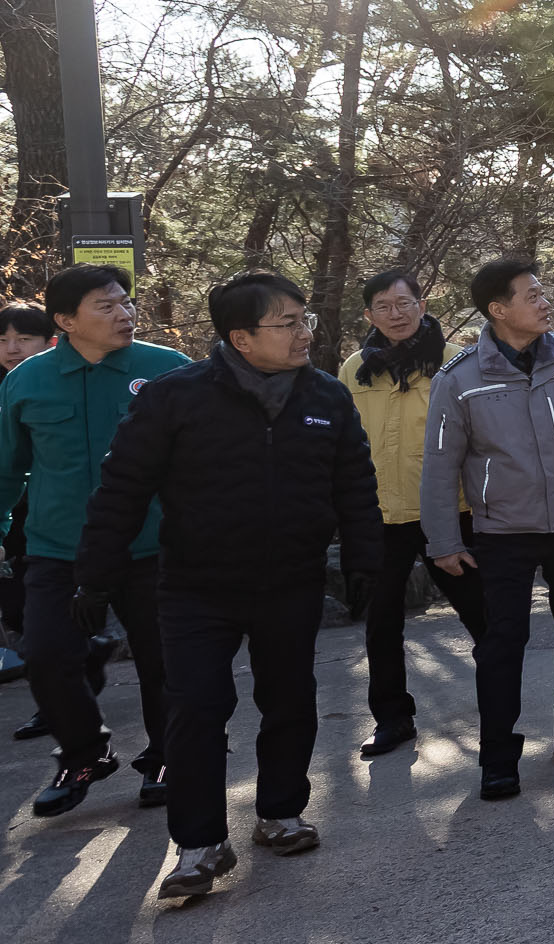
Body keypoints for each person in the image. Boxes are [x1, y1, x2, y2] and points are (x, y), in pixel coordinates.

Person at [78, 272, 384, 899]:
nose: (304, 333)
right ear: (240, 338)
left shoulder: (326, 396)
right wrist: (96, 578)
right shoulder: (174, 398)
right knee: (195, 708)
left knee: (291, 700)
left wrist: (365, 565)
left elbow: (354, 486)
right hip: (195, 586)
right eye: (288, 322)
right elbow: (122, 491)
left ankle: (279, 812)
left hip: (291, 582)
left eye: (307, 320)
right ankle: (198, 845)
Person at [421, 256, 554, 800]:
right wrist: (443, 540)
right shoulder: (460, 379)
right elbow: (441, 464)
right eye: (532, 294)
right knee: (502, 644)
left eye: (545, 293)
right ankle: (498, 756)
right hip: (502, 531)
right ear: (498, 310)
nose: (546, 302)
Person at [0, 264, 188, 817]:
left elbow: (211, 458)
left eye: (126, 302)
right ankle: (84, 753)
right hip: (59, 549)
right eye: (105, 307)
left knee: (164, 662)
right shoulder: (27, 380)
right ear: (65, 321)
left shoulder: (168, 369)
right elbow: (8, 469)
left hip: (151, 547)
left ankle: (166, 755)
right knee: (46, 654)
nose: (125, 313)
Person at [349, 271, 489, 758]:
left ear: (422, 305)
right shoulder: (355, 369)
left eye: (404, 304)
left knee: (484, 616)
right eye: (383, 307)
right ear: (368, 316)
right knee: (381, 622)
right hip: (382, 514)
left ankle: (499, 708)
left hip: (452, 511)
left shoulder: (458, 363)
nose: (395, 314)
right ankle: (392, 717)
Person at [0, 301, 53, 691]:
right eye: (2, 340)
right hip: (8, 512)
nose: (12, 348)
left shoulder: (58, 382)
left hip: (48, 513)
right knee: (18, 611)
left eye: (24, 339)